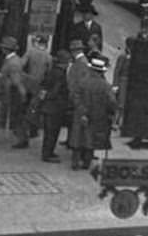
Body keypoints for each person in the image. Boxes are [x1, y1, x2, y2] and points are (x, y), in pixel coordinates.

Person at [72, 54, 116, 170]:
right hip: (97, 116)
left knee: (78, 138)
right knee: (90, 140)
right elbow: (111, 102)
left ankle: (75, 162)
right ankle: (86, 163)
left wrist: (82, 111)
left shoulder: (82, 82)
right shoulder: (105, 86)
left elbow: (75, 97)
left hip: (81, 114)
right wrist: (110, 112)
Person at [38, 49, 71, 162]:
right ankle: (48, 154)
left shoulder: (51, 71)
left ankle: (47, 152)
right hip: (56, 107)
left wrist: (44, 97)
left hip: (48, 106)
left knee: (48, 132)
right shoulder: (61, 74)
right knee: (53, 132)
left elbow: (43, 85)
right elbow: (56, 91)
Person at [66, 38, 94, 169]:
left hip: (80, 102)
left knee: (78, 132)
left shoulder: (81, 63)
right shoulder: (80, 62)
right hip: (81, 101)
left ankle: (77, 161)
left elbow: (78, 84)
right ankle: (82, 159)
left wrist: (74, 97)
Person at [112, 36, 132, 130]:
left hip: (130, 82)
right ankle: (115, 121)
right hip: (123, 82)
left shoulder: (134, 56)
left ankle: (122, 122)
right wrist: (115, 84)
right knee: (120, 103)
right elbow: (117, 71)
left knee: (125, 104)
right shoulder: (123, 56)